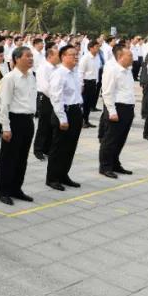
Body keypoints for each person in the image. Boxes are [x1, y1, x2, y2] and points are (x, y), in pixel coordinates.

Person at [0, 46, 36, 205]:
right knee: (8, 158)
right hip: (14, 120)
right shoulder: (9, 78)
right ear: (17, 59)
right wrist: (5, 127)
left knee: (22, 158)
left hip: (28, 120)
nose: (31, 58)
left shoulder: (32, 76)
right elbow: (4, 105)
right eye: (27, 56)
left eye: (31, 56)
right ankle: (3, 190)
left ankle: (16, 188)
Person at [46, 45, 84, 190]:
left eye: (76, 54)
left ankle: (63, 174)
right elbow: (56, 97)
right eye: (72, 54)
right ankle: (52, 178)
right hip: (63, 112)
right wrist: (62, 118)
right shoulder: (59, 73)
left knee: (70, 147)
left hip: (75, 111)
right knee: (59, 148)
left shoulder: (74, 72)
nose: (76, 57)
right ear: (63, 57)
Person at [98, 44, 136, 178]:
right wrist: (112, 111)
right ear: (120, 56)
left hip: (127, 108)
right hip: (117, 108)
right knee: (110, 140)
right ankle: (105, 166)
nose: (132, 58)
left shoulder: (127, 70)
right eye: (129, 55)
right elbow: (107, 92)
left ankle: (115, 163)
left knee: (120, 139)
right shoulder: (112, 70)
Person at [32, 45, 59, 160]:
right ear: (50, 56)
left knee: (52, 124)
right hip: (46, 98)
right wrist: (55, 97)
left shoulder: (57, 68)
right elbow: (45, 87)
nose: (59, 57)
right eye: (57, 55)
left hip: (54, 98)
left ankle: (47, 148)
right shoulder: (43, 68)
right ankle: (38, 149)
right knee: (44, 125)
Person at [79, 40, 101, 128]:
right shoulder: (85, 58)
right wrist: (81, 85)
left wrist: (97, 81)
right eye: (96, 47)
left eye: (99, 47)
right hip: (86, 83)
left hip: (93, 82)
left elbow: (96, 71)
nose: (98, 48)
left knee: (89, 104)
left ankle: (86, 120)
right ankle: (81, 121)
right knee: (84, 103)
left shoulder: (97, 57)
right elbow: (81, 72)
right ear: (91, 48)